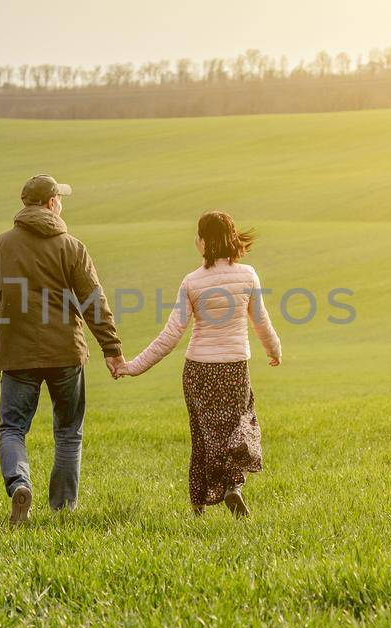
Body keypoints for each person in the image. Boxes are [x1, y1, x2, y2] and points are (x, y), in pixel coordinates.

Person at [0, 174, 125, 524]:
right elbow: (93, 301)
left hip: (17, 355)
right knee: (68, 431)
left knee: (12, 428)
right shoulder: (72, 247)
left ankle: (20, 484)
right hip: (67, 352)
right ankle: (63, 510)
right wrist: (111, 349)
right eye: (60, 198)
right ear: (51, 203)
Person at [114, 211, 281, 518]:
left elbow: (171, 335)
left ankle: (198, 506)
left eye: (198, 236)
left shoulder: (192, 282)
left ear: (204, 242)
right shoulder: (248, 275)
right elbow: (261, 321)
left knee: (203, 436)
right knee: (238, 430)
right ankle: (234, 487)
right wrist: (274, 349)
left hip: (198, 371)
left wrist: (132, 366)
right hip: (234, 369)